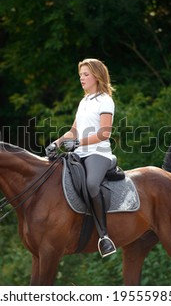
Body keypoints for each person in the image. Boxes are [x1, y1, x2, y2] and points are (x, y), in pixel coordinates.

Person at [46, 58, 117, 257]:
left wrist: (78, 143)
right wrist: (57, 143)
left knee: (92, 184)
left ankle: (104, 236)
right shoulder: (84, 101)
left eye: (86, 75)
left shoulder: (105, 100)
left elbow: (104, 133)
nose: (82, 79)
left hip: (98, 153)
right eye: (80, 76)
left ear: (96, 76)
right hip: (79, 154)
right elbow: (73, 131)